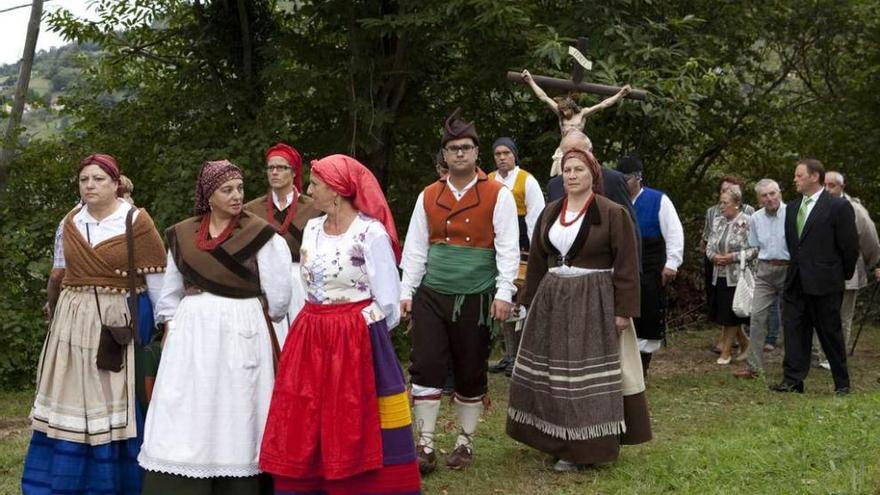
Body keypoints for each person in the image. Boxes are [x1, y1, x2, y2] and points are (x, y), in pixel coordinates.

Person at [259, 154, 421, 494]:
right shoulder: (313, 228)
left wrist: (353, 329)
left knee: (355, 418)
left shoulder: (369, 232)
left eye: (315, 184)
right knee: (306, 414)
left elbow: (388, 302)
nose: (310, 189)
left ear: (336, 191)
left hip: (356, 341)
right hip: (311, 336)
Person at [138, 160, 292, 493]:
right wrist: (172, 328)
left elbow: (279, 297)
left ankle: (239, 480)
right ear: (209, 195)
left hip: (242, 330)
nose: (237, 196)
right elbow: (169, 293)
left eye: (239, 188)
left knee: (239, 404)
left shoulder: (261, 234)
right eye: (227, 190)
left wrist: (255, 312)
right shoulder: (183, 235)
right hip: (192, 334)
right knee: (190, 404)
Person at [22, 154, 167, 495]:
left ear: (116, 184)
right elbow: (59, 271)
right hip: (72, 320)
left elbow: (158, 282)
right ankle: (60, 479)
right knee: (69, 397)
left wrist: (164, 329)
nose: (90, 185)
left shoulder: (136, 222)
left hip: (116, 319)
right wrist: (54, 313)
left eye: (99, 179)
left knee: (112, 399)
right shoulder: (69, 220)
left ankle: (114, 482)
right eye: (84, 179)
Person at [506, 148, 651, 472]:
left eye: (578, 170)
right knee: (553, 374)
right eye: (567, 170)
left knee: (582, 378)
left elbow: (627, 264)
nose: (571, 175)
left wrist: (623, 310)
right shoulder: (550, 212)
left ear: (593, 175)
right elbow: (538, 263)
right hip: (553, 300)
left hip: (594, 301)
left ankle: (584, 446)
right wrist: (529, 303)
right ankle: (554, 438)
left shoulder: (612, 213)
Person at [401, 109, 519, 473]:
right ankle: (425, 445)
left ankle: (464, 444)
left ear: (476, 153)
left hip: (477, 294)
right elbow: (416, 249)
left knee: (470, 370)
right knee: (426, 366)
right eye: (453, 149)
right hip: (433, 294)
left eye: (466, 147)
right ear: (445, 155)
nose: (460, 154)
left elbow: (508, 247)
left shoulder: (498, 195)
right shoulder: (428, 195)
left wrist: (504, 292)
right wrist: (407, 290)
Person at [770, 159, 859, 395]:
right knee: (794, 330)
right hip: (796, 280)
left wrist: (840, 275)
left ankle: (841, 382)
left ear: (814, 177)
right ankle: (793, 380)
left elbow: (849, 246)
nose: (795, 180)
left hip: (825, 281)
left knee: (830, 332)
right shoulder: (791, 208)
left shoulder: (837, 207)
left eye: (799, 175)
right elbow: (793, 244)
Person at [244, 143, 321, 346]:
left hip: (302, 281)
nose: (275, 172)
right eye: (271, 168)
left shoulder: (314, 208)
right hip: (264, 281)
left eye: (281, 167)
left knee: (304, 341)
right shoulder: (251, 210)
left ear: (293, 172)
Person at [617, 154, 684, 377]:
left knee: (647, 314)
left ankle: (642, 368)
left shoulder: (658, 200)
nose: (623, 184)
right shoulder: (614, 201)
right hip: (622, 267)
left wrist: (672, 263)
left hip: (650, 266)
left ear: (638, 178)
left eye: (626, 179)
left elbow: (674, 232)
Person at [487, 137, 545, 376]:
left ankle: (520, 357)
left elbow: (536, 217)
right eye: (498, 154)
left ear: (514, 155)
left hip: (522, 247)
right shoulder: (488, 180)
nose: (502, 157)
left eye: (506, 153)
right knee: (502, 300)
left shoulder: (526, 181)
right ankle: (509, 354)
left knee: (519, 301)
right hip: (494, 245)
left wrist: (535, 251)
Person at [812, 171, 880, 368]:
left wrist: (873, 263)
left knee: (842, 317)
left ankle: (835, 356)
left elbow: (870, 240)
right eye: (824, 184)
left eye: (832, 185)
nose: (827, 189)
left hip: (847, 271)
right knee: (821, 313)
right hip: (820, 271)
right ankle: (819, 353)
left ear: (842, 187)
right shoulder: (815, 206)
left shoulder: (855, 209)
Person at [521, 69, 630, 177]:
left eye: (566, 110)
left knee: (584, 172)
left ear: (572, 108)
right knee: (562, 176)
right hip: (564, 149)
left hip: (580, 148)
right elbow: (543, 97)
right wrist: (530, 80)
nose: (564, 112)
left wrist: (620, 94)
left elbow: (603, 104)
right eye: (562, 110)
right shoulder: (561, 115)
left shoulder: (582, 114)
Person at [734, 179, 790, 378]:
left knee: (792, 318)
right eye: (764, 196)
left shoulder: (792, 214)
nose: (769, 198)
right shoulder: (755, 218)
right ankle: (754, 367)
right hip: (765, 271)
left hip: (788, 269)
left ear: (780, 193)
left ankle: (793, 365)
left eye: (773, 193)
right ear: (759, 200)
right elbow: (755, 246)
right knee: (757, 317)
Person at [702, 176, 755, 354]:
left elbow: (755, 249)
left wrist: (733, 256)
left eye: (725, 203)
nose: (721, 206)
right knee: (723, 311)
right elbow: (709, 244)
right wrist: (714, 256)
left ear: (736, 204)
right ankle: (745, 343)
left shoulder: (748, 221)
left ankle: (725, 350)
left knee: (731, 314)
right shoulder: (717, 220)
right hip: (718, 273)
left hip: (738, 275)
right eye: (720, 202)